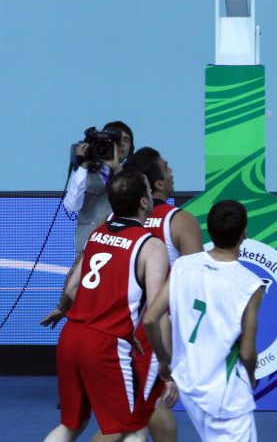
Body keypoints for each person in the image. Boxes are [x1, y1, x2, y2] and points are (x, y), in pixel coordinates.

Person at [41, 169, 172, 442]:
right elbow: (156, 314)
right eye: (147, 188)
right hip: (106, 343)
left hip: (71, 336)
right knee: (133, 427)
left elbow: (73, 286)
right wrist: (164, 362)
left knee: (70, 424)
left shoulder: (99, 233)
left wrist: (62, 308)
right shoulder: (151, 246)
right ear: (144, 202)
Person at [144, 200, 265, 442]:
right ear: (244, 233)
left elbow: (150, 319)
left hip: (189, 383)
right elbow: (248, 353)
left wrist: (164, 361)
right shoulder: (250, 284)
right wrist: (251, 376)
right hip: (226, 393)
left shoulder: (182, 265)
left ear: (209, 230)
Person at [124, 147, 204, 442]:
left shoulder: (115, 222)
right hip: (155, 330)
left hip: (119, 327)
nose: (171, 172)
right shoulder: (179, 220)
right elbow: (198, 285)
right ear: (157, 184)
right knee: (142, 413)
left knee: (141, 410)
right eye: (167, 167)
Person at [63, 121, 135, 256]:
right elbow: (71, 207)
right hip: (87, 248)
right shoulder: (84, 173)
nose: (120, 144)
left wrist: (117, 169)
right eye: (115, 140)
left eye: (126, 140)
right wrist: (83, 165)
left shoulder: (136, 176)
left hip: (122, 248)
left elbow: (135, 206)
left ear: (131, 148)